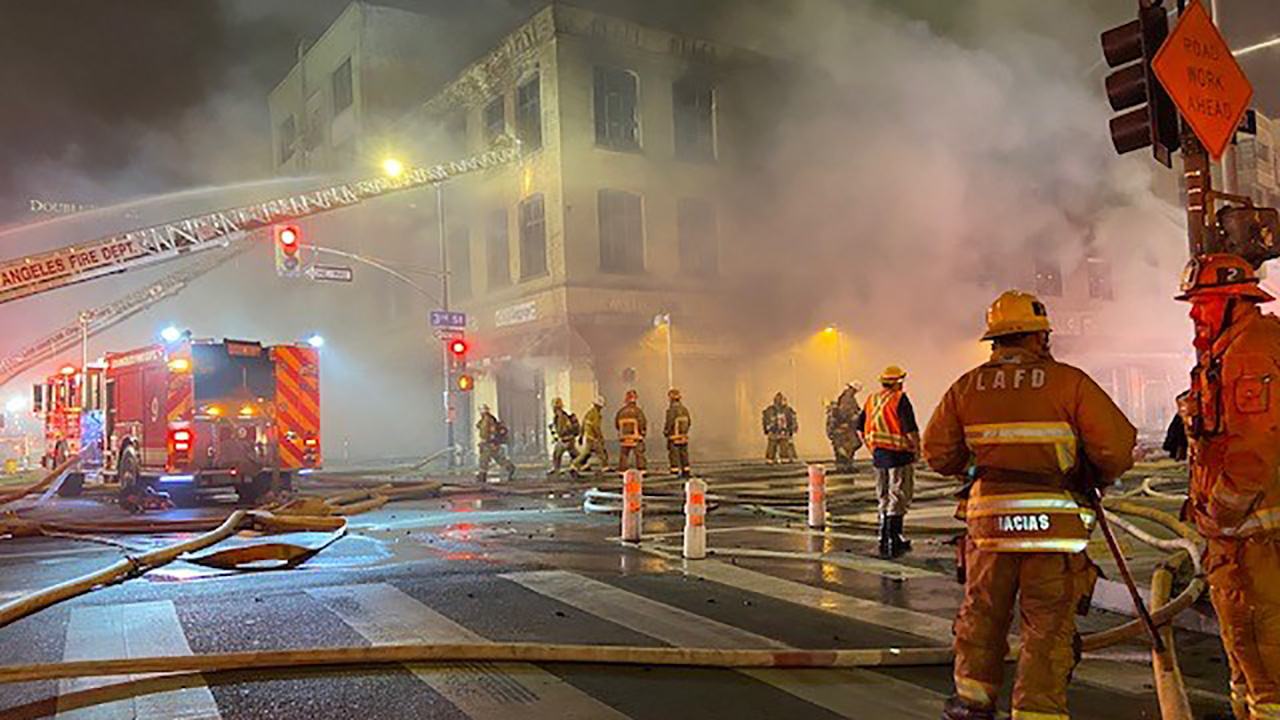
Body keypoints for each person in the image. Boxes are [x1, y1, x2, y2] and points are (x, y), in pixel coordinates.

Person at [923, 289, 1136, 720]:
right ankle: (1037, 710)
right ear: (1039, 338)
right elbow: (1116, 448)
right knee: (1048, 627)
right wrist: (1092, 475)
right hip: (1053, 531)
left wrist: (980, 462)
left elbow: (937, 453)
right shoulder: (1068, 381)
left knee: (982, 614)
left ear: (995, 341)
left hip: (990, 530)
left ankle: (972, 701)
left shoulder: (967, 386)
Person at [1175, 253, 1280, 720]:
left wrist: (1219, 511)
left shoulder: (1249, 354)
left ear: (1237, 302)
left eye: (1204, 303)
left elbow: (1254, 451)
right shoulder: (1225, 352)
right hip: (1237, 542)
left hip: (1254, 540)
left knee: (1264, 655)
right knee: (1245, 653)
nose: (1195, 314)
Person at [858, 366, 919, 558]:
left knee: (883, 495)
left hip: (879, 456)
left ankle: (883, 536)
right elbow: (910, 429)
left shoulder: (871, 400)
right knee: (898, 495)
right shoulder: (899, 399)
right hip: (899, 455)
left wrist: (871, 447)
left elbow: (859, 428)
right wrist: (918, 449)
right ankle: (895, 536)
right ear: (898, 382)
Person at [475, 404, 516, 483]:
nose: (481, 411)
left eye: (482, 409)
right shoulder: (483, 420)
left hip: (489, 443)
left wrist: (493, 442)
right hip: (487, 442)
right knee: (498, 458)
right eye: (480, 410)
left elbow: (492, 432)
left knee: (484, 459)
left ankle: (482, 475)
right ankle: (510, 467)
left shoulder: (489, 420)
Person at [829, 381, 864, 472]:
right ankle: (844, 466)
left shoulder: (847, 398)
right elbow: (846, 413)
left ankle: (846, 466)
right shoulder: (847, 399)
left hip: (845, 428)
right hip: (845, 429)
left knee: (848, 447)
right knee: (847, 447)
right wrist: (856, 416)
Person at [570, 396, 609, 478]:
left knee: (588, 453)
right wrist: (600, 437)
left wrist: (581, 436)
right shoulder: (596, 414)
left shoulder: (589, 413)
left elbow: (583, 424)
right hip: (593, 438)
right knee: (600, 452)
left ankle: (575, 465)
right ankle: (605, 467)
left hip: (588, 437)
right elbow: (596, 427)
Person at [615, 389, 648, 473]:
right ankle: (641, 469)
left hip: (624, 438)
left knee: (624, 454)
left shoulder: (620, 412)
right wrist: (643, 433)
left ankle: (622, 469)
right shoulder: (638, 412)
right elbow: (642, 423)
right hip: (636, 437)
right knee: (639, 453)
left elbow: (617, 424)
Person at [664, 388, 693, 478]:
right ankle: (686, 469)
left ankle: (675, 470)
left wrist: (666, 432)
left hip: (674, 436)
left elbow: (669, 422)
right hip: (683, 435)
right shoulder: (685, 409)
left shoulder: (671, 410)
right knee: (684, 453)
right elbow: (689, 422)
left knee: (674, 454)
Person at [762, 392, 798, 463]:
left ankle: (784, 458)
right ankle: (770, 459)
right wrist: (766, 429)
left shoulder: (788, 410)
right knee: (771, 448)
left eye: (780, 399)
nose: (779, 401)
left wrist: (792, 429)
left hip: (784, 432)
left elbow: (793, 420)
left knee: (784, 447)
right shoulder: (770, 410)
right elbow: (765, 419)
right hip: (773, 433)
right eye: (777, 399)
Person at [548, 397, 580, 477]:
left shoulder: (563, 416)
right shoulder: (558, 417)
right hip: (567, 439)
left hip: (566, 439)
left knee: (557, 453)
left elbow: (563, 428)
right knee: (574, 454)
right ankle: (574, 467)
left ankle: (558, 469)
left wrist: (564, 434)